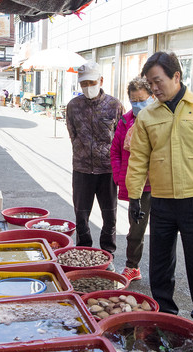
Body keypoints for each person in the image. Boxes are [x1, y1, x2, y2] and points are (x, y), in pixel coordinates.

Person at [126, 52, 193, 335]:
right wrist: (134, 196)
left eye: (158, 81)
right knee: (161, 263)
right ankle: (165, 312)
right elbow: (139, 157)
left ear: (177, 76)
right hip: (161, 200)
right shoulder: (148, 115)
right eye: (150, 84)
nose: (154, 89)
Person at [66, 61, 124, 257]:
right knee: (81, 214)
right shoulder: (73, 106)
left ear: (101, 80)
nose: (87, 87)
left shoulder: (114, 105)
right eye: (83, 84)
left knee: (110, 214)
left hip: (107, 169)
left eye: (91, 82)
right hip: (81, 169)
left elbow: (120, 138)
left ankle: (108, 252)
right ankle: (83, 250)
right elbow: (72, 133)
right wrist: (81, 151)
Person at [110, 77, 155, 282]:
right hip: (139, 187)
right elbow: (116, 152)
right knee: (135, 229)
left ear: (152, 97)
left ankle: (161, 272)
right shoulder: (125, 121)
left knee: (163, 232)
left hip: (161, 184)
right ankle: (132, 267)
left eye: (142, 99)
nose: (137, 104)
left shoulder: (160, 118)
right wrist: (121, 177)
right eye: (133, 100)